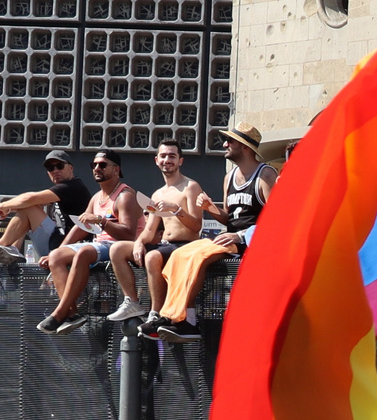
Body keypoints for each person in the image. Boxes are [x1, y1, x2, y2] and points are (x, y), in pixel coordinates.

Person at [141, 123, 277, 344]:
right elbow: (229, 219)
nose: (225, 144)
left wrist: (241, 236)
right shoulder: (229, 177)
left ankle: (184, 319)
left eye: (230, 141)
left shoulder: (266, 174)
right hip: (230, 240)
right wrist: (212, 210)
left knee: (195, 255)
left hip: (251, 242)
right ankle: (179, 318)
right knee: (179, 254)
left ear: (244, 147)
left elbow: (277, 219)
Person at [36, 150, 143, 334]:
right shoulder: (96, 197)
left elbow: (127, 234)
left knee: (84, 252)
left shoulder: (125, 195)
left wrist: (101, 221)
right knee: (56, 256)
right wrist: (60, 250)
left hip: (119, 246)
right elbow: (81, 226)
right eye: (94, 165)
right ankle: (72, 315)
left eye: (103, 165)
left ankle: (59, 313)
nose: (97, 168)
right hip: (100, 245)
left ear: (116, 169)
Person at [107, 140, 205, 324]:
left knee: (152, 257)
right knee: (117, 249)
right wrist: (138, 242)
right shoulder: (157, 194)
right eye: (163, 156)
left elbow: (196, 226)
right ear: (156, 160)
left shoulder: (191, 186)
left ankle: (156, 313)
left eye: (172, 156)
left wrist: (176, 209)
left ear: (180, 161)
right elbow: (150, 230)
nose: (167, 159)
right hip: (165, 245)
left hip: (185, 245)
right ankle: (132, 302)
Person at [0, 149, 90, 264]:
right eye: (50, 168)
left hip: (70, 247)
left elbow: (30, 199)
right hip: (56, 243)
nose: (55, 170)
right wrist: (9, 209)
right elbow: (29, 202)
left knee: (29, 207)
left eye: (60, 166)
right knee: (27, 207)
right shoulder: (62, 191)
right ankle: (12, 251)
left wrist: (3, 206)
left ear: (70, 168)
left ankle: (3, 245)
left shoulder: (73, 186)